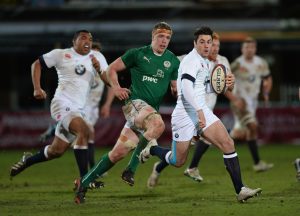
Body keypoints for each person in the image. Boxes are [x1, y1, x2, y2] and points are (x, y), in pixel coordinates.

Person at [139, 26, 262, 202]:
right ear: (195, 43)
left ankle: (240, 189)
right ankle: (152, 149)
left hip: (201, 109)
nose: (206, 45)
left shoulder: (205, 61)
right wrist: (198, 111)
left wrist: (226, 83)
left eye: (209, 42)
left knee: (228, 143)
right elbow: (187, 88)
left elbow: (202, 87)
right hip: (185, 114)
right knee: (177, 160)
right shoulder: (191, 61)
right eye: (202, 42)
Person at [73, 21, 180, 204]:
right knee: (158, 124)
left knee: (117, 154)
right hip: (134, 104)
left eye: (168, 38)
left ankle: (83, 183)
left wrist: (179, 91)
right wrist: (116, 88)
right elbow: (111, 69)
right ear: (152, 36)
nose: (164, 41)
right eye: (160, 36)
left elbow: (175, 88)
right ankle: (131, 169)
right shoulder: (137, 54)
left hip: (145, 114)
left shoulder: (173, 61)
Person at [10, 30, 109, 188]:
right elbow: (36, 64)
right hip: (61, 104)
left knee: (56, 151)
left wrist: (99, 70)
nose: (88, 41)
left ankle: (27, 161)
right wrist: (37, 88)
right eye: (83, 38)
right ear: (74, 41)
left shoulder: (97, 57)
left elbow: (108, 80)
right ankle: (85, 179)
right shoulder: (61, 54)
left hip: (79, 109)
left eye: (90, 39)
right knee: (84, 131)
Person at [146, 32, 235, 187]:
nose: (213, 48)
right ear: (198, 44)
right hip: (189, 113)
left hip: (206, 113)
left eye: (215, 45)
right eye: (210, 44)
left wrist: (231, 83)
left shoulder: (223, 62)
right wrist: (172, 84)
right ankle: (159, 162)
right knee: (179, 157)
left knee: (210, 142)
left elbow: (226, 87)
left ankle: (192, 167)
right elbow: (169, 68)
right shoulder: (189, 59)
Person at [229, 36, 273, 172]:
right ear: (242, 49)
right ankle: (218, 141)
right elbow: (225, 77)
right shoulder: (237, 63)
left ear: (255, 49)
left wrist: (266, 93)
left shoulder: (261, 63)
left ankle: (257, 163)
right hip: (240, 102)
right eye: (247, 47)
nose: (249, 50)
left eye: (252, 47)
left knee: (244, 132)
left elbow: (268, 78)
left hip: (253, 102)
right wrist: (233, 97)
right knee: (253, 126)